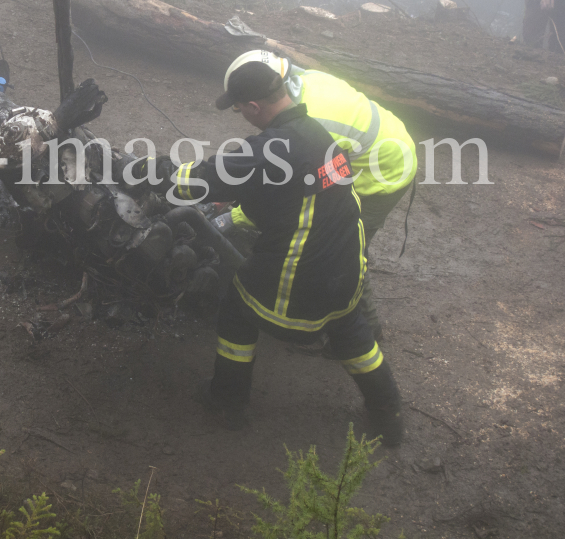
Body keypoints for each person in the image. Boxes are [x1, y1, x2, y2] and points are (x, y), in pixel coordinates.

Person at [147, 60, 404, 444]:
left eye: (238, 108)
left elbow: (196, 184)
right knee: (352, 334)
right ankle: (389, 413)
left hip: (304, 276)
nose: (241, 116)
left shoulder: (267, 149)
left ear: (253, 106)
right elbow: (292, 196)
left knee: (237, 309)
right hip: (349, 269)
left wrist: (143, 171)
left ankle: (227, 402)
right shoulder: (320, 131)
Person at [217, 51, 417, 342]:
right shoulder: (302, 82)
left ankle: (365, 330)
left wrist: (234, 216)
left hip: (382, 173)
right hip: (377, 145)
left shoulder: (316, 124)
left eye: (241, 108)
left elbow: (301, 192)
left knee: (343, 249)